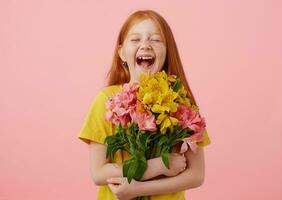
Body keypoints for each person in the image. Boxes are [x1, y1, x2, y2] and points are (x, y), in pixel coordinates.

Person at [78, 9, 211, 200]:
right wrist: (157, 166)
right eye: (135, 39)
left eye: (155, 40)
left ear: (167, 51)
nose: (145, 45)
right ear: (122, 53)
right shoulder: (106, 101)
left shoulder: (180, 102)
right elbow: (98, 173)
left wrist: (136, 189)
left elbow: (196, 175)